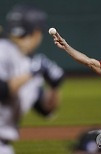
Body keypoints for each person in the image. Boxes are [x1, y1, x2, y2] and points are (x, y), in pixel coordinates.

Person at [0, 4, 64, 154]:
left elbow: (45, 109)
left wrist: (54, 86)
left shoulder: (30, 63)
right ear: (36, 32)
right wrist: (33, 71)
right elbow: (2, 90)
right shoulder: (3, 50)